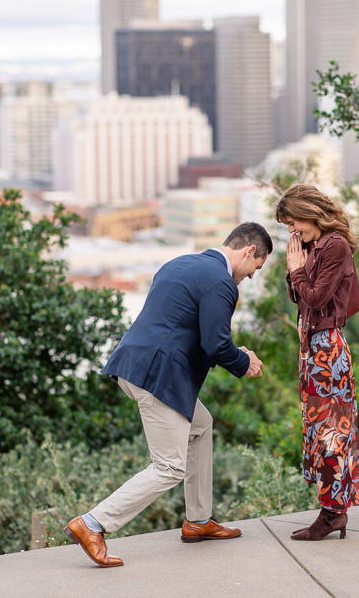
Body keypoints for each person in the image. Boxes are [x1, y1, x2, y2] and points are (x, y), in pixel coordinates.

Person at [64, 222, 273, 567]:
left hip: (134, 365)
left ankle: (198, 521)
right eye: (257, 268)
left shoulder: (180, 263)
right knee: (169, 467)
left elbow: (182, 328)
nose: (251, 276)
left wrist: (232, 352)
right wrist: (243, 360)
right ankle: (92, 524)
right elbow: (216, 343)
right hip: (160, 375)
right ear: (249, 251)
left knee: (201, 424)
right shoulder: (222, 282)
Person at [274, 184, 359, 541]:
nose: (291, 231)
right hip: (311, 348)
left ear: (309, 213)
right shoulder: (314, 247)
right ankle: (333, 511)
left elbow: (316, 298)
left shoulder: (335, 245)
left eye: (292, 222)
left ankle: (332, 514)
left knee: (331, 431)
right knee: (320, 430)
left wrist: (297, 271)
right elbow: (299, 298)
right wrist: (294, 269)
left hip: (326, 351)